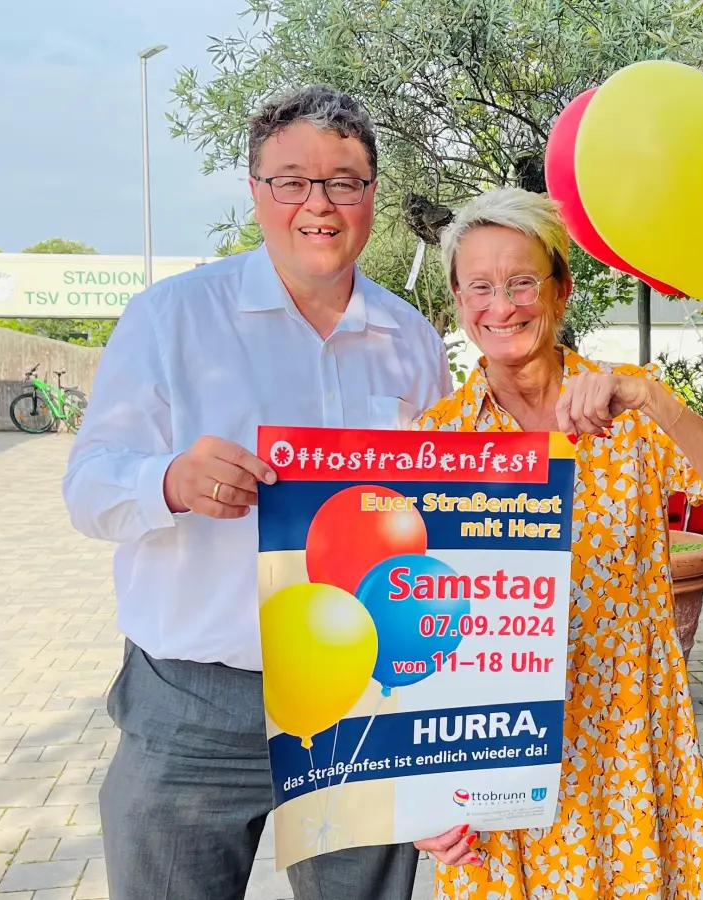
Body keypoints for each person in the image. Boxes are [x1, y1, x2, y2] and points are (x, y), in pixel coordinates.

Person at [62, 85, 452, 900]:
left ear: (372, 194)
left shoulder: (412, 342)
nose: (319, 203)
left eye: (344, 180)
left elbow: (439, 524)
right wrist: (166, 481)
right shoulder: (171, 319)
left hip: (362, 700)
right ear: (255, 193)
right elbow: (87, 489)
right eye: (291, 180)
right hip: (194, 706)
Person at [409, 187, 703, 900]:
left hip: (626, 736)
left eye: (521, 283)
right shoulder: (437, 441)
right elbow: (408, 629)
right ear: (457, 301)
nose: (502, 306)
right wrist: (421, 800)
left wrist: (655, 400)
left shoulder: (630, 409)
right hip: (496, 756)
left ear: (561, 291)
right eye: (480, 286)